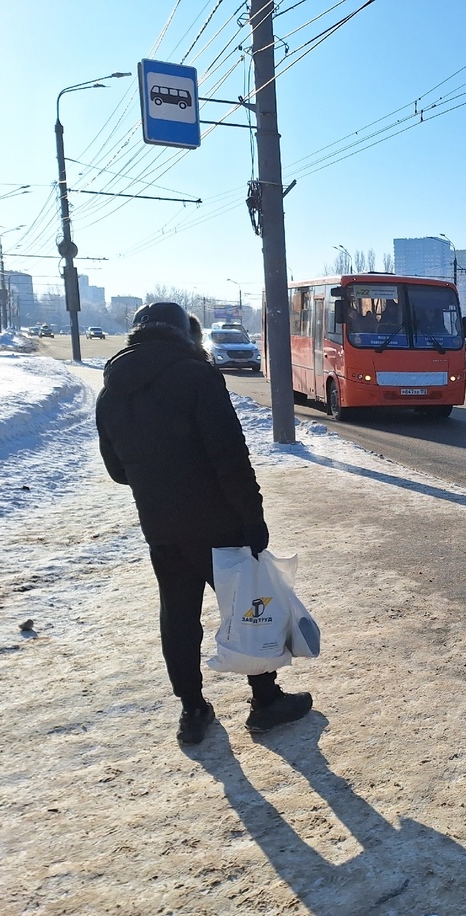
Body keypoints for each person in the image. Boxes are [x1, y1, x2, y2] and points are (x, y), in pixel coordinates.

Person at [95, 301, 312, 745]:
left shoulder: (111, 392)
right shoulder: (196, 376)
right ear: (185, 334)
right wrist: (253, 518)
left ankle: (193, 711)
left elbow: (117, 471)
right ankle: (266, 701)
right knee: (249, 607)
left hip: (160, 526)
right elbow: (230, 455)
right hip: (218, 521)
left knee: (177, 615)